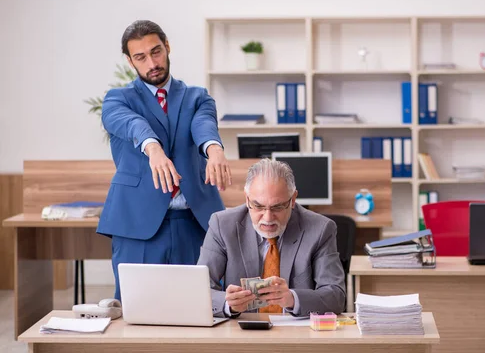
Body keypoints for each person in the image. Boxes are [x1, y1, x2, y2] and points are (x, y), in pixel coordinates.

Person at [97, 20, 231, 300]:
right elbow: (131, 123)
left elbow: (203, 124)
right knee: (138, 310)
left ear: (167, 47)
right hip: (137, 224)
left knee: (203, 306)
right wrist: (153, 148)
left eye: (156, 51)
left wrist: (214, 149)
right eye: (140, 57)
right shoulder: (116, 100)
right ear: (130, 61)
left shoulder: (197, 97)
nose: (151, 62)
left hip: (195, 221)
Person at [197, 158, 346, 317]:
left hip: (296, 335)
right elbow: (198, 290)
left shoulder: (320, 229)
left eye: (277, 207)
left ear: (293, 200)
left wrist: (293, 299)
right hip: (240, 333)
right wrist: (228, 304)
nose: (267, 218)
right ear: (247, 199)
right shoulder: (222, 225)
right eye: (259, 206)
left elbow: (336, 296)